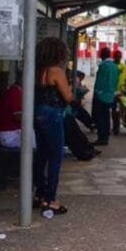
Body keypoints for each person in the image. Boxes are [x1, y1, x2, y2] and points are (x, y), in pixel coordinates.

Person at [33, 37, 73, 215]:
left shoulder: (38, 70)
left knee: (41, 155)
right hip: (53, 114)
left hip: (38, 112)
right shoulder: (56, 71)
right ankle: (51, 200)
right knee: (56, 156)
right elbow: (68, 97)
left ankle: (40, 194)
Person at [92, 47, 118, 146]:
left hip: (101, 95)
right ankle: (105, 137)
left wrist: (97, 93)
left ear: (102, 55)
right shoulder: (114, 66)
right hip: (110, 95)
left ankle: (101, 138)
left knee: (100, 118)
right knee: (106, 117)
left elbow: (99, 82)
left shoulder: (103, 66)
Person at [111, 50, 126, 135]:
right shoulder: (111, 66)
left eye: (119, 57)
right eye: (117, 57)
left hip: (122, 92)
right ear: (114, 57)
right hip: (112, 92)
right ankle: (116, 127)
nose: (118, 58)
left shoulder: (123, 66)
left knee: (125, 107)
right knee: (114, 111)